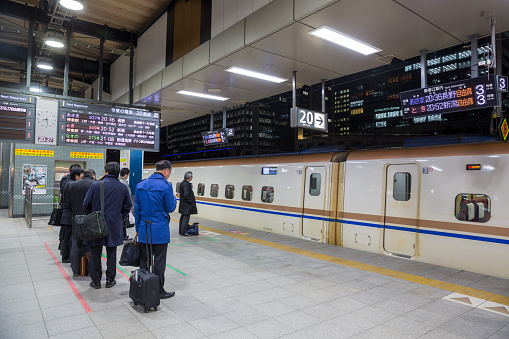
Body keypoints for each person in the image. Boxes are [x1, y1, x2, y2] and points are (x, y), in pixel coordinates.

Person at [83, 162, 132, 289]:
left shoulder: (96, 185)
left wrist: (92, 215)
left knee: (95, 253)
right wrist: (118, 217)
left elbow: (85, 205)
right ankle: (110, 280)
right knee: (111, 253)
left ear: (106, 172)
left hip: (96, 223)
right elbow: (127, 206)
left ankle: (96, 281)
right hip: (114, 224)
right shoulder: (122, 187)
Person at [134, 160, 177, 299]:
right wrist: (174, 199)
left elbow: (137, 210)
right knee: (159, 262)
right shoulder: (166, 186)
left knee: (144, 261)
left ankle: (142, 288)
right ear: (166, 171)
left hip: (144, 229)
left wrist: (138, 228)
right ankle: (158, 291)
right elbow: (171, 208)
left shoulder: (140, 185)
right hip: (160, 230)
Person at [65, 169, 96, 277]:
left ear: (82, 175)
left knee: (76, 244)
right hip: (91, 219)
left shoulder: (71, 185)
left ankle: (76, 270)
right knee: (93, 246)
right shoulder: (96, 185)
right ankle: (91, 269)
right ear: (92, 176)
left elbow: (67, 203)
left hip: (76, 218)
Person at [59, 164, 84, 263]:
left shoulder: (65, 180)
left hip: (66, 213)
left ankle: (66, 255)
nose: (82, 177)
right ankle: (66, 257)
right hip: (69, 214)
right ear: (76, 176)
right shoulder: (71, 184)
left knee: (66, 236)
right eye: (81, 175)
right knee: (68, 236)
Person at [178, 171, 197, 236]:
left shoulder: (182, 183)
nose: (191, 178)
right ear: (189, 177)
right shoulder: (186, 184)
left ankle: (181, 231)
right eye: (191, 177)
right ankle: (184, 232)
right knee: (185, 219)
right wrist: (191, 201)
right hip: (187, 206)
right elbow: (186, 195)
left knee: (182, 218)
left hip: (183, 205)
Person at [119, 167, 131, 240]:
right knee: (123, 221)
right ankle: (123, 236)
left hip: (121, 205)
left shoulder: (120, 181)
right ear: (125, 174)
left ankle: (123, 235)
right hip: (123, 205)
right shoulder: (123, 182)